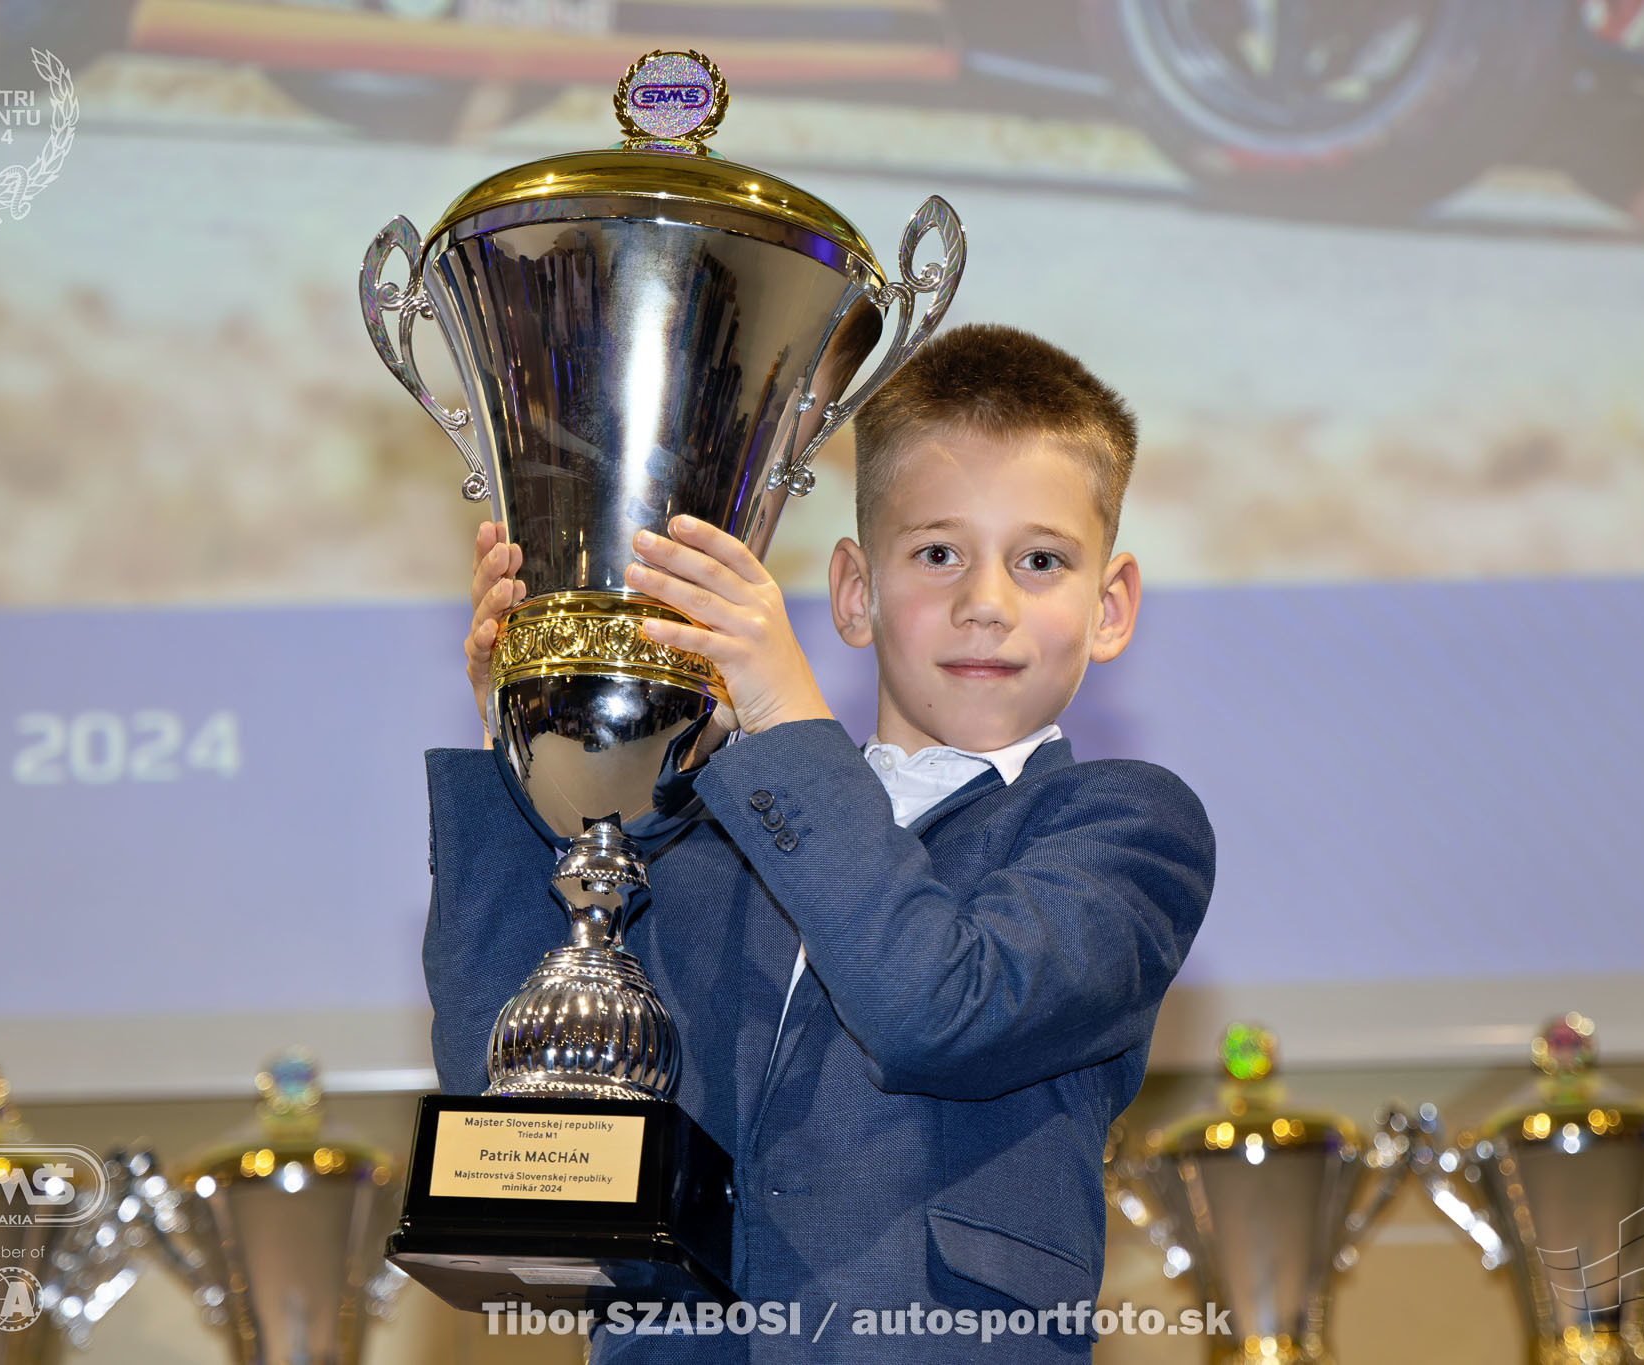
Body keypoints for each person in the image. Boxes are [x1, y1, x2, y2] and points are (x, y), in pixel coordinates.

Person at [423, 323, 1215, 1361]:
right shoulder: (712, 830)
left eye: (1040, 561)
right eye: (936, 554)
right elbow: (515, 1099)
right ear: (854, 592)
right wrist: (520, 738)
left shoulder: (1127, 827)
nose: (985, 604)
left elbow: (937, 1009)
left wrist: (785, 724)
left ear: (1109, 608)